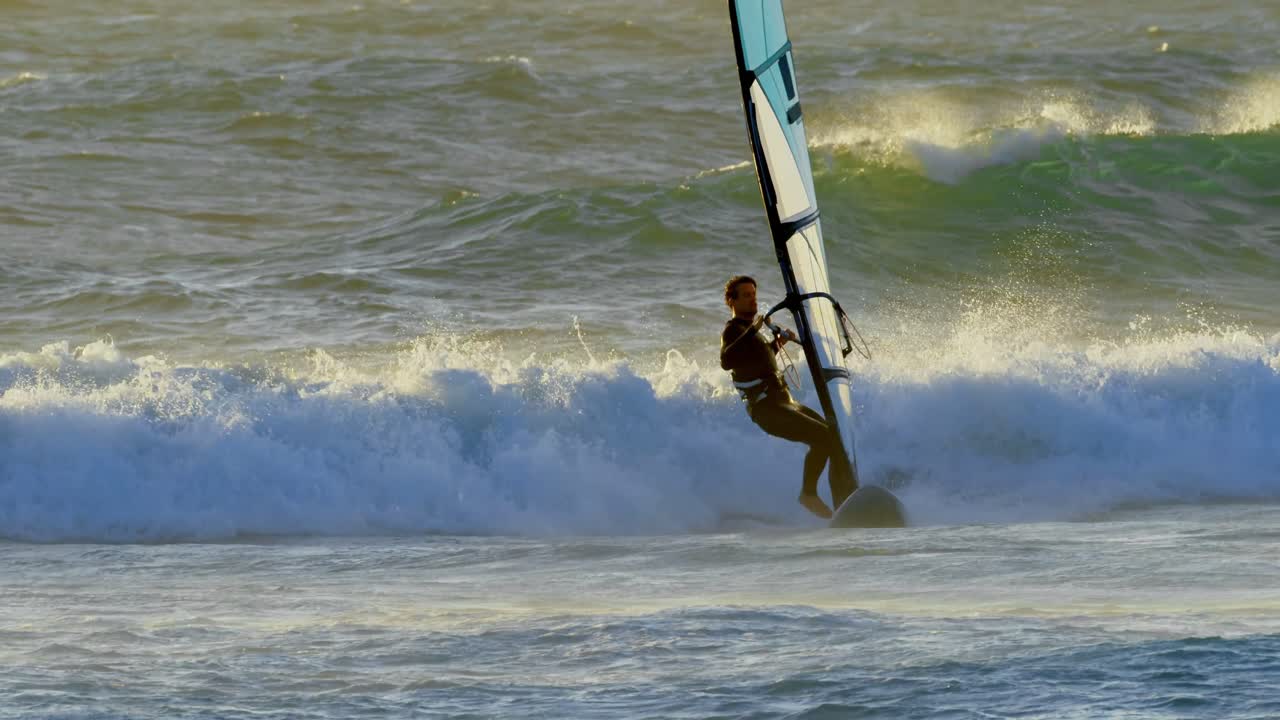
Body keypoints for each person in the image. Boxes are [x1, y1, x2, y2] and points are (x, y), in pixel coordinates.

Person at [719, 275, 835, 519]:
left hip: (785, 402)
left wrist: (778, 343)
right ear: (732, 301)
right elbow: (727, 361)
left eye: (754, 295)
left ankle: (841, 491)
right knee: (824, 437)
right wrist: (754, 329)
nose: (753, 300)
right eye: (746, 296)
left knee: (833, 434)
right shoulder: (733, 331)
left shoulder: (753, 333)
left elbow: (759, 360)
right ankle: (808, 494)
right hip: (767, 409)